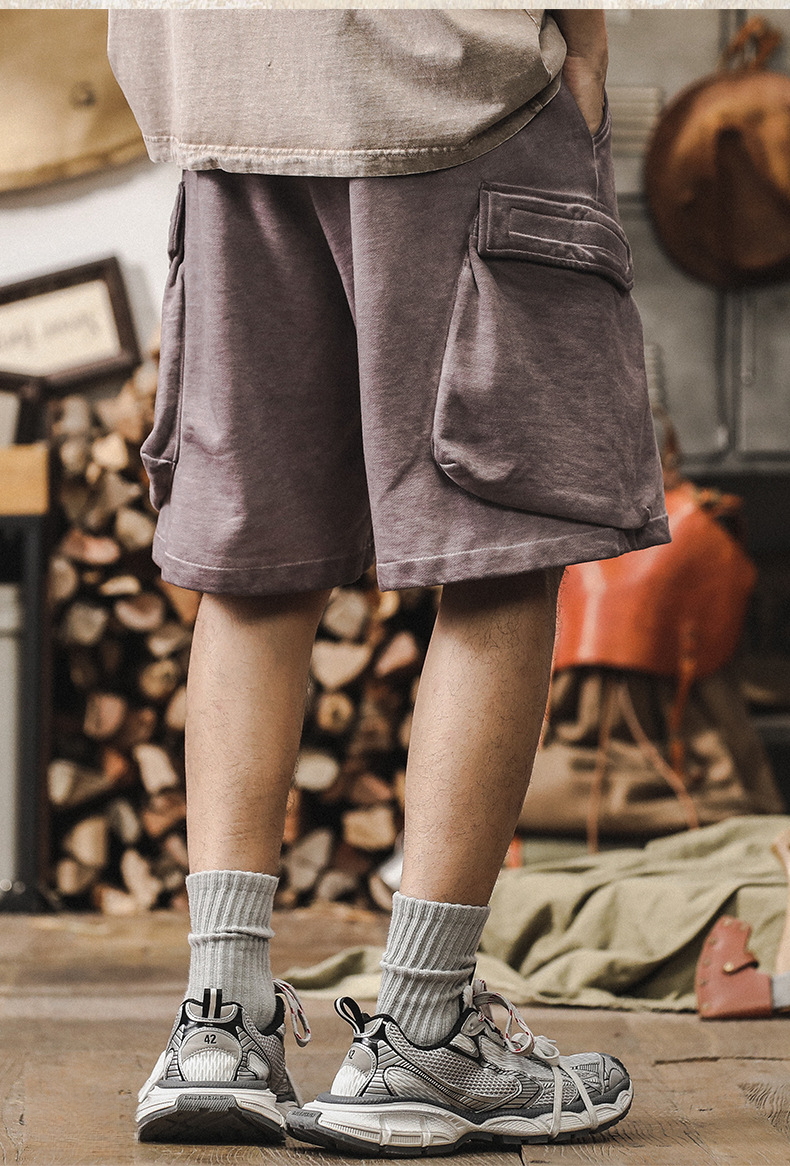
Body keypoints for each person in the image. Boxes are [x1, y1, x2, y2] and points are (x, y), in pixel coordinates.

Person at [108, 8, 670, 1153]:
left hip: (222, 74)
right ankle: (422, 1030)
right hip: (435, 70)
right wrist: (582, 43)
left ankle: (221, 1021)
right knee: (503, 539)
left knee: (256, 561)